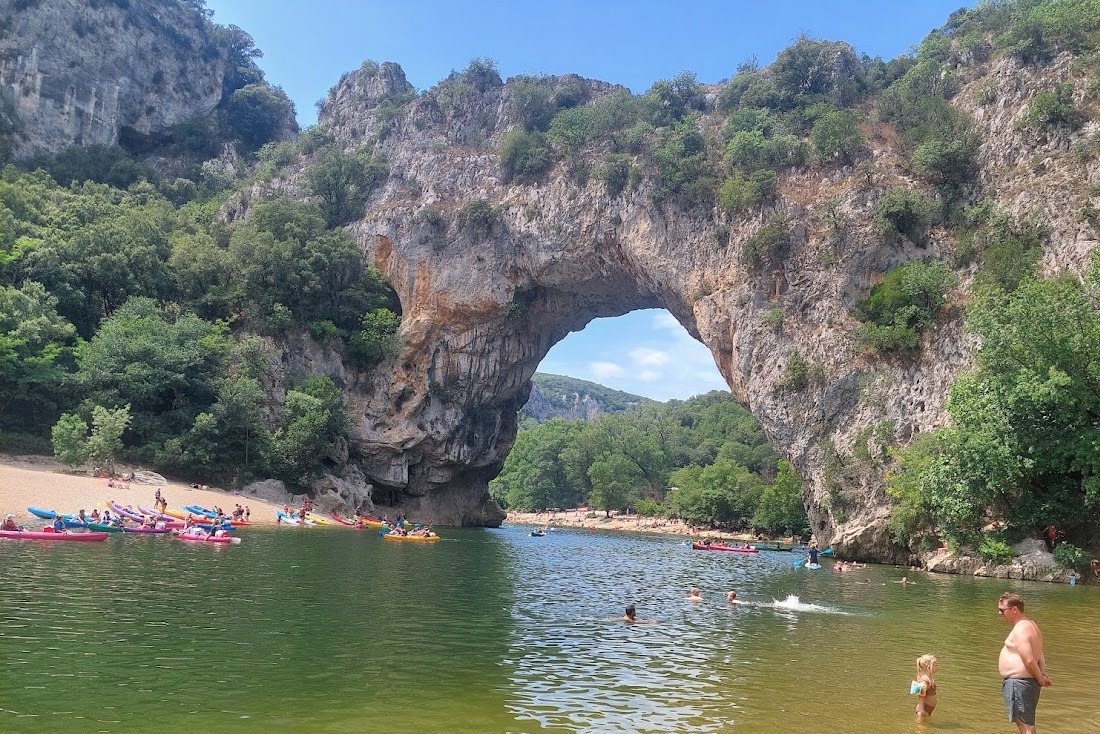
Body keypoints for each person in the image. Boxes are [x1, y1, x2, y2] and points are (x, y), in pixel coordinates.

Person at [998, 592, 1052, 734]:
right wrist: (1042, 673)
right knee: (1025, 724)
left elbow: (1028, 659)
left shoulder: (1021, 628)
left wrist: (1040, 678)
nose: (999, 613)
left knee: (1026, 726)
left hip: (1020, 683)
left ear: (1014, 609)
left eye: (1002, 610)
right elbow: (1039, 653)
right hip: (1025, 682)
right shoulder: (1031, 625)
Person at [913, 654, 938, 722]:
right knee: (921, 728)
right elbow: (921, 695)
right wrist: (921, 710)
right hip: (924, 709)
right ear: (928, 667)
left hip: (928, 709)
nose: (937, 667)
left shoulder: (929, 678)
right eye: (935, 665)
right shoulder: (925, 681)